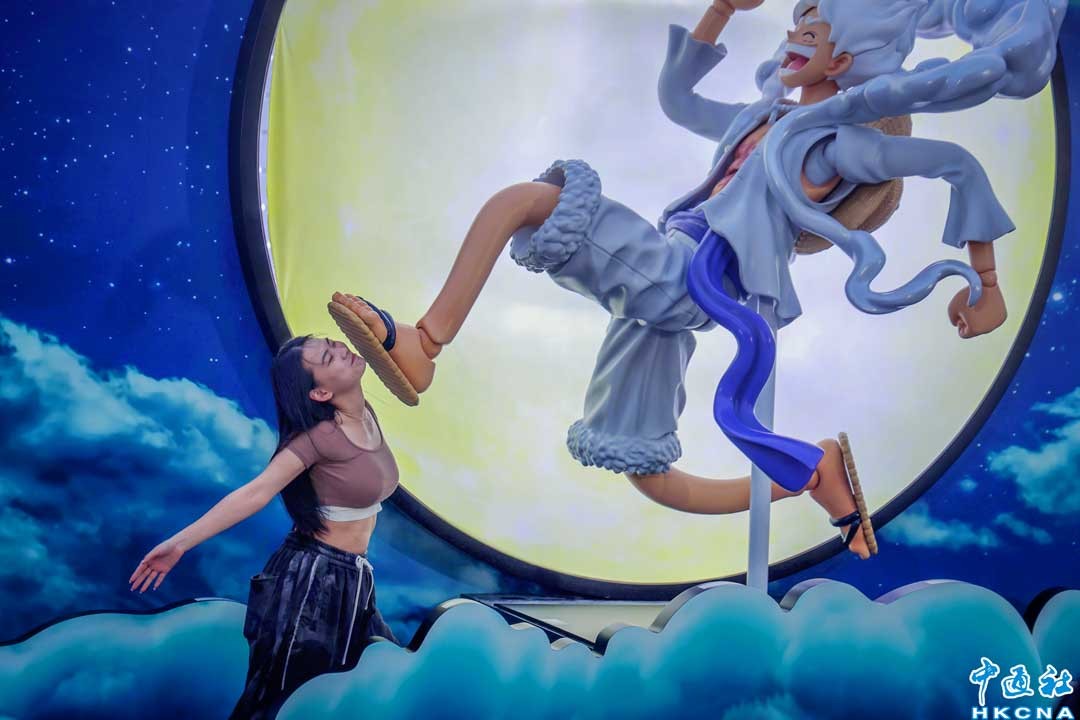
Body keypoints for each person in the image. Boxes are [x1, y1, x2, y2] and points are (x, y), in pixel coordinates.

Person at [336, 0, 1061, 562]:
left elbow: (956, 165)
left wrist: (986, 282)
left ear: (846, 56)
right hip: (673, 274)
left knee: (527, 203)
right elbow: (678, 99)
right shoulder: (761, 117)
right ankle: (814, 476)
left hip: (685, 275)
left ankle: (426, 342)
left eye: (812, 28)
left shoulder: (844, 144)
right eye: (795, 24)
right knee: (646, 470)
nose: (794, 36)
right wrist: (721, 11)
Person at [128, 334, 400, 719]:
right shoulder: (321, 437)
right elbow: (256, 492)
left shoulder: (365, 414)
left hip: (354, 580)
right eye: (329, 357)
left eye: (332, 343)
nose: (341, 348)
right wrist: (180, 543)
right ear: (320, 393)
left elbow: (418, 357)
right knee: (280, 702)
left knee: (373, 685)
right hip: (311, 582)